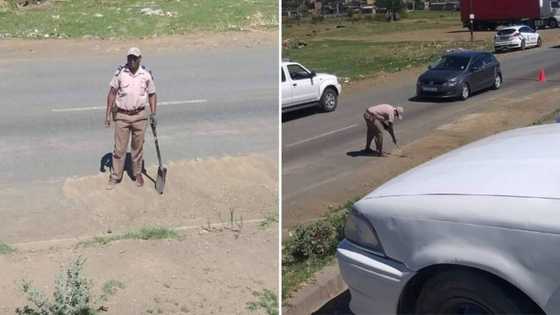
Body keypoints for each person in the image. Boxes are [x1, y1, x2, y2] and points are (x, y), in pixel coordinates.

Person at [105, 47, 157, 189]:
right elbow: (112, 93)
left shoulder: (146, 74)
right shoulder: (120, 73)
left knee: (137, 147)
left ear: (140, 59)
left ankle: (137, 173)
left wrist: (153, 113)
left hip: (140, 116)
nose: (132, 61)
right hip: (122, 115)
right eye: (130, 58)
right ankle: (116, 176)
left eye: (135, 58)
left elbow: (152, 94)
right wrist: (108, 114)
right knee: (119, 149)